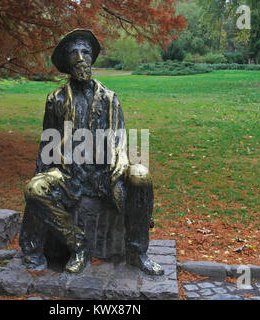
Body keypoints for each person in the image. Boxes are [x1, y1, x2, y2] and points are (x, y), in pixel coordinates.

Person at [19, 30, 164, 276]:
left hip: (104, 175)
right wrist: (39, 182)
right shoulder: (55, 100)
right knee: (34, 188)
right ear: (66, 62)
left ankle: (137, 251)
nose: (81, 58)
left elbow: (119, 138)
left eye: (85, 52)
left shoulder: (110, 99)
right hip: (69, 175)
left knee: (141, 174)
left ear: (92, 59)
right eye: (74, 53)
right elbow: (47, 145)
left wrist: (120, 160)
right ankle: (79, 245)